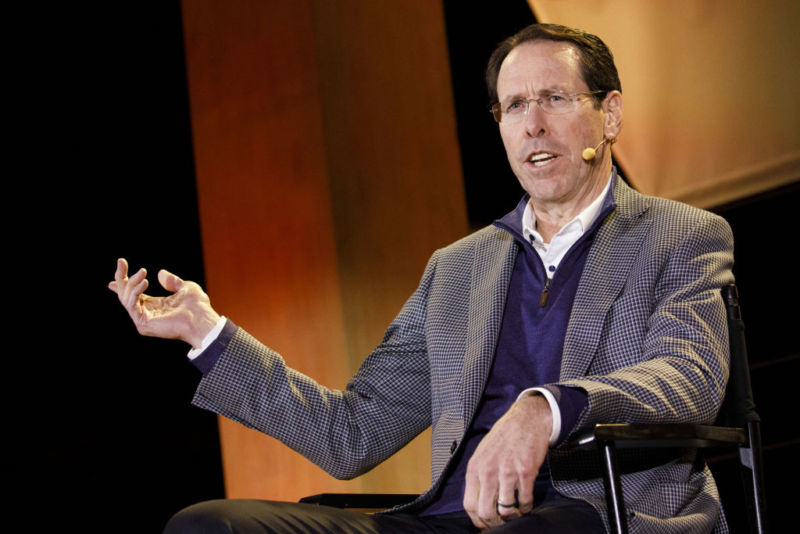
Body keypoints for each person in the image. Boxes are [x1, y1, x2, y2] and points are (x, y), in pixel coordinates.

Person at [109, 23, 734, 533]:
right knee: (209, 525)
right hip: (446, 521)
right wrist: (210, 335)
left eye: (555, 99)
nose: (534, 124)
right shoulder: (457, 269)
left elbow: (688, 379)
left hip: (594, 514)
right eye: (515, 105)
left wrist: (547, 409)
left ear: (610, 114)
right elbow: (350, 433)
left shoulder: (680, 234)